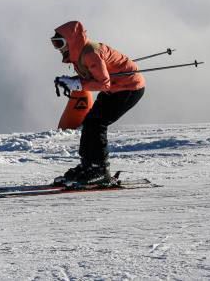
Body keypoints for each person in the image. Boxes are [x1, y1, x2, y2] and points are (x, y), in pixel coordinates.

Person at [50, 20, 146, 185]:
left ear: (71, 41)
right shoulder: (79, 54)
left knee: (97, 124)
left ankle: (100, 169)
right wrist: (70, 81)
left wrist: (76, 84)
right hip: (115, 89)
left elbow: (103, 83)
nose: (58, 49)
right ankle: (89, 165)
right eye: (54, 44)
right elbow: (91, 78)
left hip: (129, 89)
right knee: (89, 123)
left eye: (59, 43)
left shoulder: (90, 53)